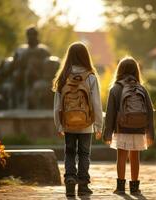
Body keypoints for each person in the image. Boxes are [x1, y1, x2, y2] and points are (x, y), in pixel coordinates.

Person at [52, 42, 103, 197]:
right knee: (84, 154)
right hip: (86, 124)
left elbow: (57, 105)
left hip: (68, 124)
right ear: (85, 56)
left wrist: (59, 125)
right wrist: (99, 125)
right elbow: (96, 103)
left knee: (69, 152)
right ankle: (83, 186)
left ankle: (69, 181)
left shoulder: (63, 77)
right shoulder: (91, 77)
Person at [103, 57, 155, 195]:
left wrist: (107, 133)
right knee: (135, 156)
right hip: (139, 128)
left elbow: (110, 113)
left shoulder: (115, 88)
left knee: (121, 156)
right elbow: (150, 111)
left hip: (122, 128)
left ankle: (120, 187)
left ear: (119, 70)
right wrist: (150, 133)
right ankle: (135, 187)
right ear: (136, 71)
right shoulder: (141, 88)